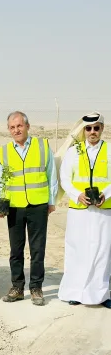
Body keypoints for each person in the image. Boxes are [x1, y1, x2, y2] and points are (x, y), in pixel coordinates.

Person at [0, 111, 58, 306]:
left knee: (37, 249)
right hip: (14, 206)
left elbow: (51, 174)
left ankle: (36, 287)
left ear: (27, 126)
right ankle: (17, 287)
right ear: (8, 130)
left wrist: (51, 201)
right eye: (12, 127)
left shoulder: (42, 146)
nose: (16, 130)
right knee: (16, 249)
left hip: (38, 205)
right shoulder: (3, 151)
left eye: (19, 126)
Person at [58, 112, 111, 309]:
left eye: (96, 128)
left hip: (103, 210)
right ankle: (75, 292)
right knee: (77, 249)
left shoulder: (109, 150)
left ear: (102, 129)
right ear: (84, 130)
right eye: (88, 128)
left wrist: (106, 194)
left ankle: (101, 294)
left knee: (102, 251)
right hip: (79, 210)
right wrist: (77, 194)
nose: (92, 132)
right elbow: (65, 178)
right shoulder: (74, 151)